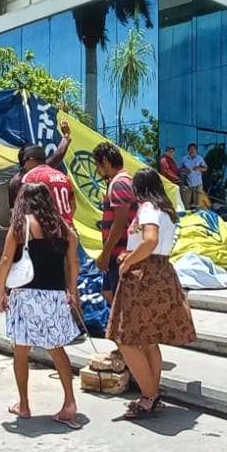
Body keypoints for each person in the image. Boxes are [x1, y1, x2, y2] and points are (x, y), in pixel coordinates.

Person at [108, 168, 198, 420]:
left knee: (125, 338)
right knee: (149, 340)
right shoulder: (166, 210)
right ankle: (151, 394)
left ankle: (149, 396)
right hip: (162, 271)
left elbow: (148, 240)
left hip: (144, 275)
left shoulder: (147, 208)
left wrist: (128, 262)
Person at [0, 182, 81, 429]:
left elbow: (5, 260)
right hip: (55, 295)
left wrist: (2, 291)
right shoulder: (64, 228)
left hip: (26, 295)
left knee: (22, 351)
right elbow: (73, 264)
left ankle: (24, 404)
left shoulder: (22, 225)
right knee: (57, 350)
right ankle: (69, 402)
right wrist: (72, 291)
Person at [93, 142, 135, 306]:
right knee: (107, 292)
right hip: (117, 254)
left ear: (106, 161)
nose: (97, 170)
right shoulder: (121, 182)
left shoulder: (119, 184)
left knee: (122, 302)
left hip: (119, 255)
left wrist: (105, 253)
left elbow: (120, 222)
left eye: (97, 164)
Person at [5, 120, 72, 210]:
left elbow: (57, 156)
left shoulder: (38, 171)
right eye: (40, 160)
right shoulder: (18, 181)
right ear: (30, 160)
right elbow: (14, 209)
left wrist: (66, 136)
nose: (44, 166)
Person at [179, 144, 207, 210]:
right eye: (190, 149)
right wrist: (184, 169)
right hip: (187, 183)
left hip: (198, 183)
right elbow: (179, 169)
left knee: (198, 203)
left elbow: (205, 168)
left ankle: (197, 217)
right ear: (188, 150)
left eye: (193, 149)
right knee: (186, 203)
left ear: (196, 150)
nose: (192, 150)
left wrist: (199, 167)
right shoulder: (184, 158)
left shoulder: (199, 158)